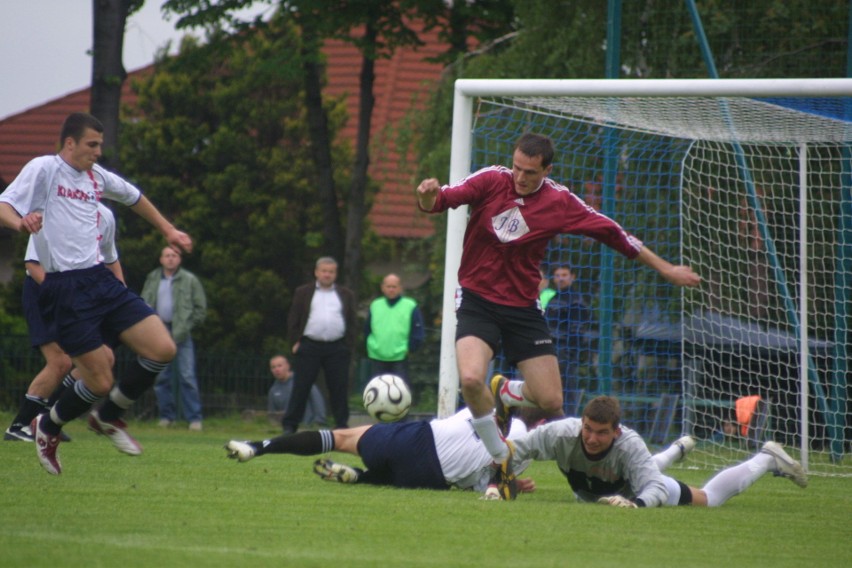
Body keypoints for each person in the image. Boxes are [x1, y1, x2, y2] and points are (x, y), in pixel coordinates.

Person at [415, 132, 701, 481]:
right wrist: (428, 197)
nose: (520, 177)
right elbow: (441, 199)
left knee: (551, 403)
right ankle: (498, 460)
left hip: (523, 309)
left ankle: (506, 391)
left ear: (547, 170)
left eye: (530, 172)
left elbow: (613, 233)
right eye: (517, 168)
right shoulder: (491, 180)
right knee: (472, 378)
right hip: (478, 300)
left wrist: (667, 269)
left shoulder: (560, 201)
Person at [0, 112, 193, 475]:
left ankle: (108, 416)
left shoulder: (96, 179)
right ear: (69, 143)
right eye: (92, 144)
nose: (98, 152)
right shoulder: (45, 169)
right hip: (64, 289)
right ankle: (49, 425)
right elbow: (4, 205)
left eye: (100, 145)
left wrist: (169, 230)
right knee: (99, 380)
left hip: (99, 281)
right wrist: (20, 222)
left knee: (163, 349)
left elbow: (135, 198)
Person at [502, 394, 807, 505]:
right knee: (635, 471)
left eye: (601, 433)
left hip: (632, 490)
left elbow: (652, 487)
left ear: (616, 431)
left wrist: (636, 504)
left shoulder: (629, 444)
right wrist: (497, 484)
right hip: (594, 494)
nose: (592, 438)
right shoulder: (561, 434)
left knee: (709, 499)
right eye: (588, 429)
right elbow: (513, 450)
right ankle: (675, 450)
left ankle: (766, 459)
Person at [4, 202, 122, 442]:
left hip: (79, 296)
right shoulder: (50, 212)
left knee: (104, 357)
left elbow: (110, 259)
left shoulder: (105, 216)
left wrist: (123, 297)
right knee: (60, 361)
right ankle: (20, 425)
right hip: (43, 292)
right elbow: (32, 265)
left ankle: (46, 419)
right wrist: (60, 293)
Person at [225, 406, 544, 492]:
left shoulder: (491, 412)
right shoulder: (524, 455)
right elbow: (478, 484)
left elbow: (465, 422)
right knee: (400, 475)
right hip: (430, 479)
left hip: (418, 439)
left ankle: (258, 447)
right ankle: (362, 478)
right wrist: (511, 486)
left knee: (340, 438)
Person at [283, 257, 357, 433]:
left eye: (331, 272)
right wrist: (295, 342)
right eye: (324, 271)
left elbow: (352, 321)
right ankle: (290, 425)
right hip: (309, 346)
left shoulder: (346, 294)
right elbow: (293, 318)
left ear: (335, 274)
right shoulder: (303, 292)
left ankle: (341, 425)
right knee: (301, 387)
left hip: (337, 347)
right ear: (316, 272)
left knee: (339, 387)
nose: (327, 274)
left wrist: (348, 346)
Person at [141, 246, 207, 431]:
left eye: (174, 255)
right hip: (158, 332)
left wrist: (186, 327)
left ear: (179, 259)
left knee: (187, 376)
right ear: (161, 259)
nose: (171, 259)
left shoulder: (190, 280)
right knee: (162, 377)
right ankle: (166, 417)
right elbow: (143, 303)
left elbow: (200, 309)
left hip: (182, 334)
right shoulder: (153, 278)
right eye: (167, 255)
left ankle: (194, 419)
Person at [544, 265, 594, 404]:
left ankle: (567, 418)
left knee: (566, 389)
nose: (561, 279)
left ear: (572, 277)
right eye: (558, 275)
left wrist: (569, 353)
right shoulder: (554, 298)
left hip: (564, 353)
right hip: (550, 349)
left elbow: (577, 331)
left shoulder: (576, 300)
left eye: (564, 275)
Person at [364, 273, 425, 383]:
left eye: (394, 286)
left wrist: (410, 348)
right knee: (377, 392)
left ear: (400, 288)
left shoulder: (410, 305)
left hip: (400, 357)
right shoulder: (375, 305)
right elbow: (367, 329)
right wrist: (371, 345)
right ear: (382, 288)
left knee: (400, 393)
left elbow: (417, 330)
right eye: (388, 286)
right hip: (377, 356)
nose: (391, 289)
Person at [267, 354, 327, 429]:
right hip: (288, 429)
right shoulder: (273, 390)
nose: (276, 369)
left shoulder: (302, 381)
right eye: (273, 367)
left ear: (288, 366)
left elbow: (317, 401)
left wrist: (319, 421)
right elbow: (273, 414)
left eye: (279, 366)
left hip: (308, 426)